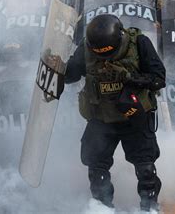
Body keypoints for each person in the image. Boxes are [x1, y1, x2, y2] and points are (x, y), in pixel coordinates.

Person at [64, 14, 166, 211]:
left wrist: (131, 81)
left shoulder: (139, 43)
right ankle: (102, 208)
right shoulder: (87, 47)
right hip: (102, 118)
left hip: (134, 116)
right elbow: (72, 74)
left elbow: (158, 78)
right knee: (96, 167)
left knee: (145, 169)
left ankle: (149, 209)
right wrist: (56, 67)